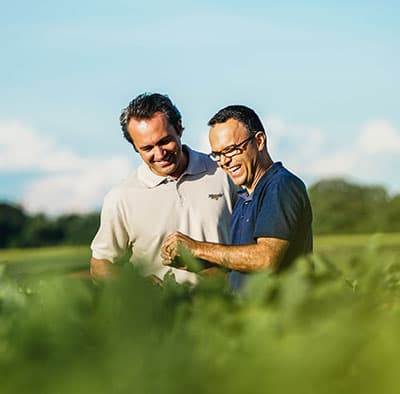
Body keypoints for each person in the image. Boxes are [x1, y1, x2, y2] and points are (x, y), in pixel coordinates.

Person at [90, 93, 237, 284]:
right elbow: (100, 265)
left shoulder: (223, 173)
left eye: (164, 141)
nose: (159, 154)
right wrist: (137, 286)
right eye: (147, 148)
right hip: (163, 311)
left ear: (179, 127)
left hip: (227, 307)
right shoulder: (121, 197)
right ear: (135, 147)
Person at [161, 105, 313, 290]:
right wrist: (191, 263)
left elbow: (266, 259)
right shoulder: (243, 198)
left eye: (231, 150)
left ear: (259, 141)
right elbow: (237, 274)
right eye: (217, 154)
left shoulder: (280, 186)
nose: (224, 161)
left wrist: (196, 248)